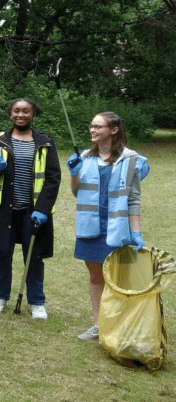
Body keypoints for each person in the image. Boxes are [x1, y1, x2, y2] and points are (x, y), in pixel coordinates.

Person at [68, 112, 150, 341]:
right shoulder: (85, 157)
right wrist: (74, 174)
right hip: (89, 226)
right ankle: (98, 324)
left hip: (118, 227)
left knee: (120, 279)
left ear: (113, 130)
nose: (92, 130)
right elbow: (77, 192)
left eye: (98, 126)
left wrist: (136, 232)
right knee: (96, 277)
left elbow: (133, 199)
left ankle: (122, 325)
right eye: (91, 126)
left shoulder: (131, 159)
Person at [0, 99, 61, 320]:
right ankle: (0, 296)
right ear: (10, 114)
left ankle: (36, 301)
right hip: (5, 209)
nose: (21, 115)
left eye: (26, 111)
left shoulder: (45, 142)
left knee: (34, 255)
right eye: (16, 111)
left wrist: (43, 208)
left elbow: (53, 178)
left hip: (33, 211)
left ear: (33, 114)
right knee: (2, 254)